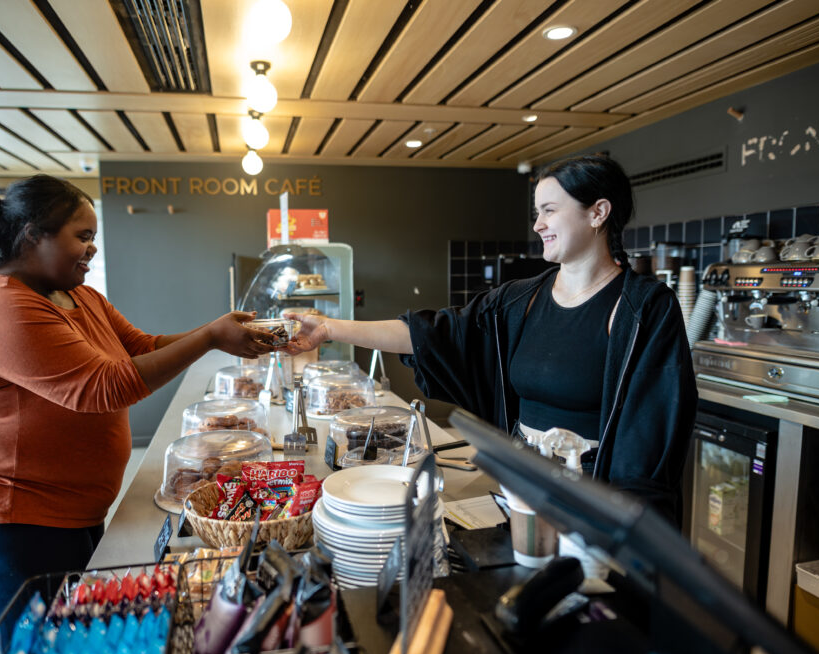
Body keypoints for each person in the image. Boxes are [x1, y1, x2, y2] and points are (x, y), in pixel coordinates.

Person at [0, 174, 275, 622]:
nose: (92, 248)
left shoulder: (79, 296)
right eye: (82, 236)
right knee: (41, 648)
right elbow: (102, 387)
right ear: (34, 235)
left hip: (70, 507)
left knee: (82, 626)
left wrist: (217, 333)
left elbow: (143, 347)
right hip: (12, 514)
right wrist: (210, 337)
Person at [287, 154, 697, 525]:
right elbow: (429, 333)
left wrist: (620, 530)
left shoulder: (644, 310)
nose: (538, 224)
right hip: (521, 493)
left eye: (550, 211)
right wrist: (328, 328)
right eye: (537, 212)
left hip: (596, 511)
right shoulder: (521, 300)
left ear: (598, 213)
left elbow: (651, 441)